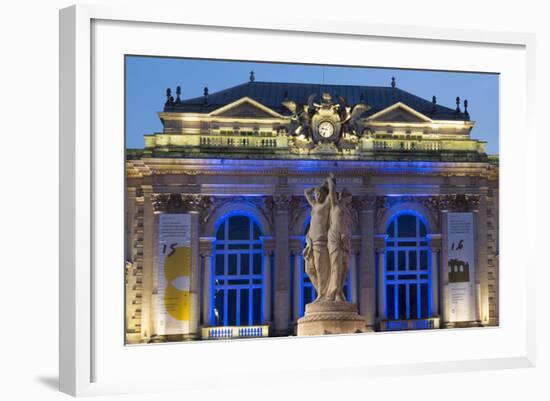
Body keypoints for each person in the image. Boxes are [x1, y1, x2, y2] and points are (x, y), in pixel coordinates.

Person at [303, 179, 331, 302]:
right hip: (311, 242)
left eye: (320, 194)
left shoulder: (326, 205)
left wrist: (326, 185)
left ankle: (321, 295)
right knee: (309, 270)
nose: (317, 196)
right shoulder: (314, 206)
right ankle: (323, 292)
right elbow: (305, 192)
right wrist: (316, 187)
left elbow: (332, 195)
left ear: (325, 195)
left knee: (320, 269)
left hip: (321, 241)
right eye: (316, 194)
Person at [326, 174, 353, 302]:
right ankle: (334, 293)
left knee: (345, 267)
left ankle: (339, 290)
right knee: (336, 266)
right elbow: (331, 192)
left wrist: (346, 236)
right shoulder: (335, 205)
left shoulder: (346, 210)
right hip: (334, 237)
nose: (349, 201)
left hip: (345, 240)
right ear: (344, 197)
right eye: (349, 198)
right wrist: (331, 180)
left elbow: (347, 225)